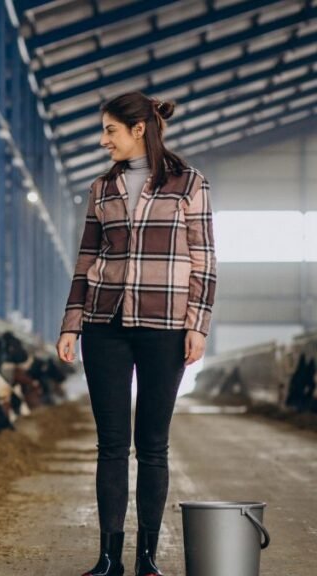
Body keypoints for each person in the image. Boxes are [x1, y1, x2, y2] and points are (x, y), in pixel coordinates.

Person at [55, 92, 217, 576]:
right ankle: (109, 559)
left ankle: (147, 559)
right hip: (104, 325)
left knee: (152, 444)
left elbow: (204, 261)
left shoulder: (189, 183)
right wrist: (71, 323)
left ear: (138, 129)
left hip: (165, 325)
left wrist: (198, 326)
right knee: (111, 444)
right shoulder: (101, 188)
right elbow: (86, 259)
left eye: (110, 130)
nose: (103, 140)